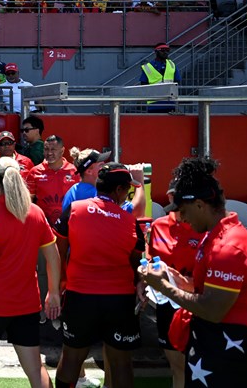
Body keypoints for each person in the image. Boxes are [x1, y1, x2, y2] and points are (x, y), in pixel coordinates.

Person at [140, 157, 247, 388]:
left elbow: (212, 310)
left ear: (200, 205)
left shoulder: (227, 246)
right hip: (215, 341)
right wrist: (181, 281)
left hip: (231, 345)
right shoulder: (213, 235)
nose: (183, 219)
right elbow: (207, 291)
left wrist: (165, 288)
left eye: (184, 211)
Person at [0, 156, 61, 387]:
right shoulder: (36, 213)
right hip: (26, 304)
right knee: (35, 368)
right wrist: (53, 291)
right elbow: (53, 256)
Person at [53, 163, 146, 388]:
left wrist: (61, 283)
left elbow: (59, 249)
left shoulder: (75, 209)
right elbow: (136, 265)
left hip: (79, 296)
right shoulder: (129, 222)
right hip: (119, 300)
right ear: (119, 190)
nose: (128, 194)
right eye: (128, 190)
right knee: (121, 362)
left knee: (72, 357)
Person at [145, 181, 204, 388]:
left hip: (196, 303)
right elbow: (149, 259)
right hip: (166, 303)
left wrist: (186, 282)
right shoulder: (158, 225)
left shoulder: (202, 226)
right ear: (170, 197)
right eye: (174, 195)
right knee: (176, 365)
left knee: (195, 364)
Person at [26, 135, 79, 227]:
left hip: (68, 225)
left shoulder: (74, 171)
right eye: (46, 149)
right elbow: (28, 201)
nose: (49, 153)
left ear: (62, 151)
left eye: (53, 149)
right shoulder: (34, 172)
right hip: (42, 224)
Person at [140, 43, 180, 113]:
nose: (165, 52)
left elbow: (177, 82)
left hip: (170, 102)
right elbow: (143, 85)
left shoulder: (172, 65)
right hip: (154, 104)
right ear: (156, 52)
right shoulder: (147, 67)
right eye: (162, 50)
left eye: (167, 50)